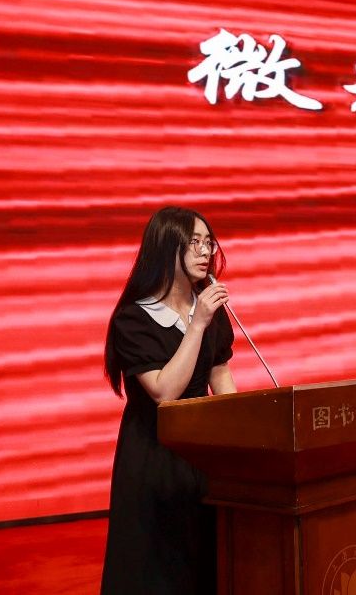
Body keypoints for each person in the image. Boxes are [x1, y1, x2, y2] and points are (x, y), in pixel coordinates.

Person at [101, 206, 237, 595]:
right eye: (193, 242)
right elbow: (164, 392)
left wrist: (246, 432)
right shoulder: (134, 318)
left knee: (207, 561)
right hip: (154, 456)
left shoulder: (207, 310)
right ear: (165, 247)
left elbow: (220, 376)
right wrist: (197, 323)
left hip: (202, 451)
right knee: (158, 569)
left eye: (208, 242)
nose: (205, 251)